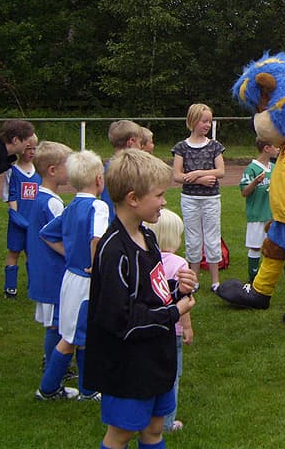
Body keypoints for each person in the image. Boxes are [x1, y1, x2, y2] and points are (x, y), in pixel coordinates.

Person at [85, 149, 197, 449]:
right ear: (133, 198)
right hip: (127, 366)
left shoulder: (148, 238)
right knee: (120, 434)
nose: (164, 202)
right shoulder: (113, 252)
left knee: (154, 429)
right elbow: (120, 320)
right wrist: (174, 313)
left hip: (156, 357)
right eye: (159, 195)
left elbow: (152, 294)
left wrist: (177, 289)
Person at [37, 150, 109, 401]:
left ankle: (83, 389)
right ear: (99, 179)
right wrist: (95, 265)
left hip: (70, 278)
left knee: (77, 334)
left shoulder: (71, 206)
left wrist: (69, 254)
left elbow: (46, 233)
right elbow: (97, 238)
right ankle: (51, 389)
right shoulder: (98, 206)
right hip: (86, 282)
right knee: (74, 337)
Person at [144, 208, 193, 434]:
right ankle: (167, 421)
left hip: (149, 326)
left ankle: (145, 414)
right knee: (172, 376)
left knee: (149, 371)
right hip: (171, 329)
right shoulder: (179, 264)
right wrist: (187, 327)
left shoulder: (144, 260)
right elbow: (184, 299)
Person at [26, 141, 72, 382]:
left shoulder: (41, 197)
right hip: (52, 272)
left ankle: (57, 363)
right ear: (53, 170)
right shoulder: (51, 202)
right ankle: (54, 370)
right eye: (68, 165)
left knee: (56, 322)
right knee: (56, 324)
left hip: (44, 269)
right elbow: (56, 235)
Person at [172, 103, 226, 292]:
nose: (207, 125)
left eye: (209, 121)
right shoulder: (181, 147)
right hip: (190, 199)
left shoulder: (215, 146)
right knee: (193, 239)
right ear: (193, 121)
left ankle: (215, 281)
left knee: (212, 237)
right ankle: (193, 280)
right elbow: (177, 175)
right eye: (204, 121)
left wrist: (196, 174)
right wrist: (200, 179)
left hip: (211, 199)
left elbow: (220, 171)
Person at [240, 138, 285, 285]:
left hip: (275, 215)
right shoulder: (252, 169)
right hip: (257, 214)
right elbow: (244, 192)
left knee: (283, 243)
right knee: (256, 246)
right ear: (267, 148)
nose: (278, 149)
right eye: (276, 147)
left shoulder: (275, 167)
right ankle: (253, 277)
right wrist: (255, 182)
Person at [2, 132, 40, 298]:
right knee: (14, 252)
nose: (31, 152)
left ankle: (34, 286)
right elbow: (11, 197)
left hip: (35, 221)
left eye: (34, 148)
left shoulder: (39, 171)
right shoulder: (12, 171)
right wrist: (17, 217)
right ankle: (10, 288)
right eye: (28, 148)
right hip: (19, 221)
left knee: (33, 253)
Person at [100, 120, 143, 222]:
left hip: (109, 221)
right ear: (131, 142)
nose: (141, 147)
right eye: (140, 143)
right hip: (126, 223)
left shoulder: (107, 166)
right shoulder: (129, 169)